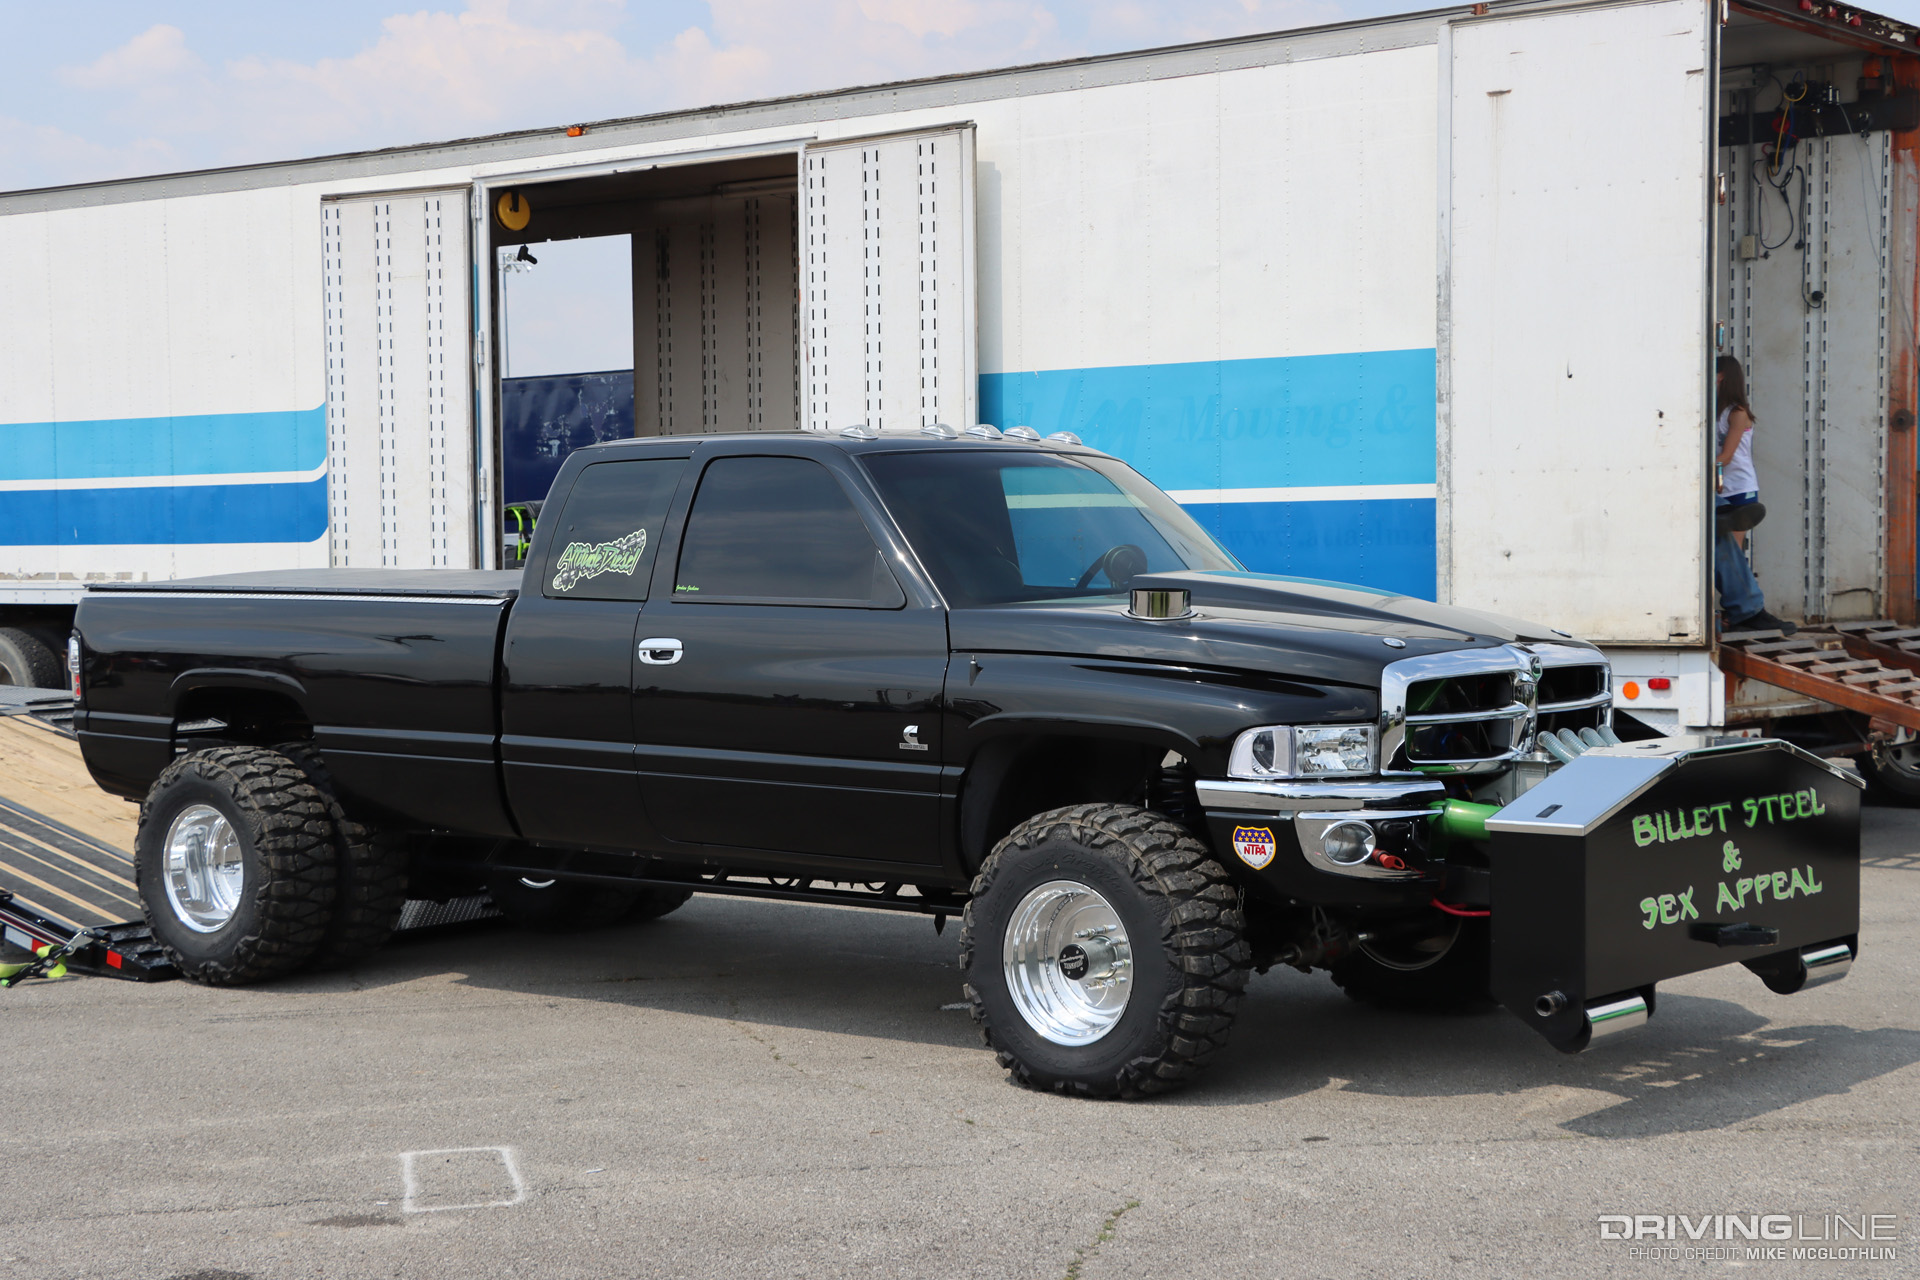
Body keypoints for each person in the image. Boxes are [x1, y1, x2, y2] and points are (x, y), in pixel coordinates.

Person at [1714, 355, 1795, 635]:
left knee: (1731, 551)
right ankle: (1736, 609)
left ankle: (1735, 611)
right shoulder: (1716, 411)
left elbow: (1726, 455)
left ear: (1723, 376)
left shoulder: (1737, 412)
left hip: (1739, 488)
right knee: (1725, 551)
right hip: (1720, 487)